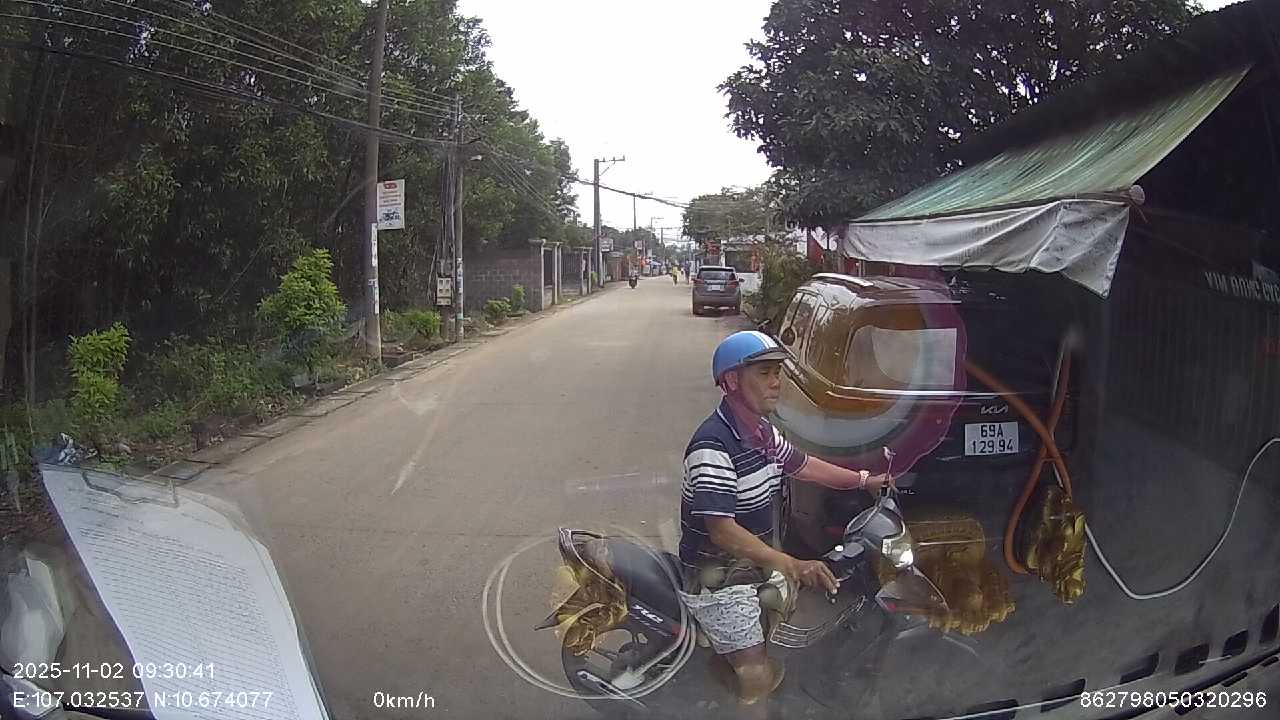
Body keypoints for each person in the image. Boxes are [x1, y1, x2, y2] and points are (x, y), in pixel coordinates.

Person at [678, 330, 890, 705]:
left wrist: (864, 481)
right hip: (718, 576)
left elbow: (803, 465)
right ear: (731, 381)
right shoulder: (713, 446)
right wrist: (792, 563)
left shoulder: (762, 433)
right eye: (764, 373)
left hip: (752, 564)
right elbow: (722, 532)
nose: (776, 382)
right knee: (756, 678)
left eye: (777, 372)